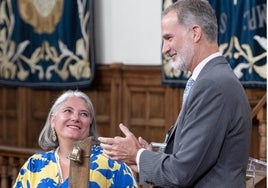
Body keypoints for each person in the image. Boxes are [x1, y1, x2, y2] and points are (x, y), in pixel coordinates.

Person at [98, 0, 252, 187]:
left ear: (195, 33)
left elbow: (181, 172)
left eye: (169, 38)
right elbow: (192, 159)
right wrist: (147, 157)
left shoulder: (213, 85)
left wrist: (137, 155)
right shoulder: (209, 79)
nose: (164, 49)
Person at [13, 90, 138, 188]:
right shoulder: (35, 164)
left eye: (83, 114)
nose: (75, 118)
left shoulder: (112, 162)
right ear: (53, 120)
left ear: (90, 124)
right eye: (68, 111)